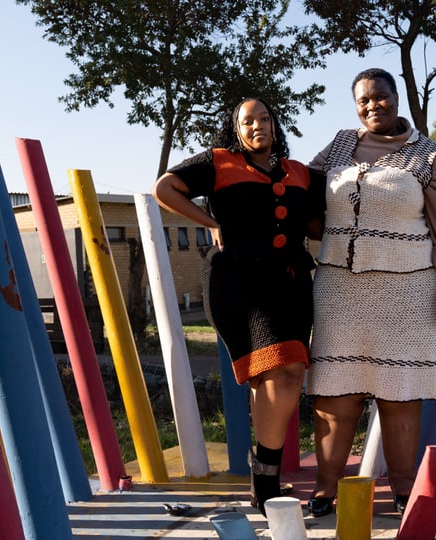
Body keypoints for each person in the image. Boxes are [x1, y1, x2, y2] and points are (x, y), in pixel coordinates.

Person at [304, 68, 436, 518]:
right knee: (334, 395)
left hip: (408, 288)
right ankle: (324, 488)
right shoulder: (338, 145)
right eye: (363, 100)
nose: (372, 105)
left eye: (380, 97)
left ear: (396, 99)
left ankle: (402, 488)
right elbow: (302, 190)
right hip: (339, 288)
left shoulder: (427, 154)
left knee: (399, 392)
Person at [152, 98, 325, 515]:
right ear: (237, 128)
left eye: (265, 118)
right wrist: (211, 223)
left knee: (283, 374)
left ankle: (262, 475)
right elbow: (164, 188)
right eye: (248, 121)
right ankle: (266, 477)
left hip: (292, 284)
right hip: (239, 284)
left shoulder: (300, 172)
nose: (258, 126)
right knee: (280, 372)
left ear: (275, 125)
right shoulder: (219, 161)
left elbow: (321, 222)